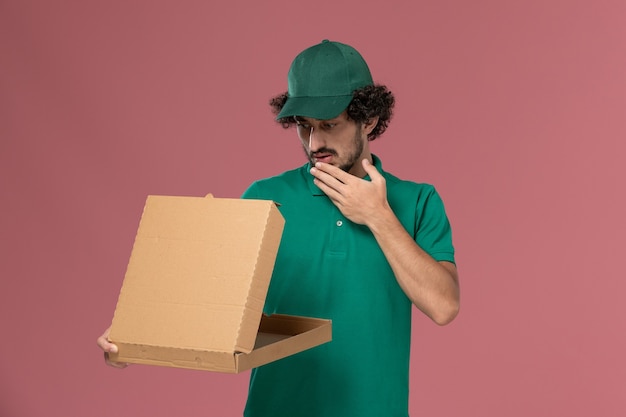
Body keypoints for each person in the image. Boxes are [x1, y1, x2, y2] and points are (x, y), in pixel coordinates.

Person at [98, 39, 460, 417]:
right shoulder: (264, 197)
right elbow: (209, 306)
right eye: (303, 126)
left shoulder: (417, 201)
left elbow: (444, 306)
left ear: (368, 119)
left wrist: (378, 217)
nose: (314, 142)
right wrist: (135, 338)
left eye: (329, 125)